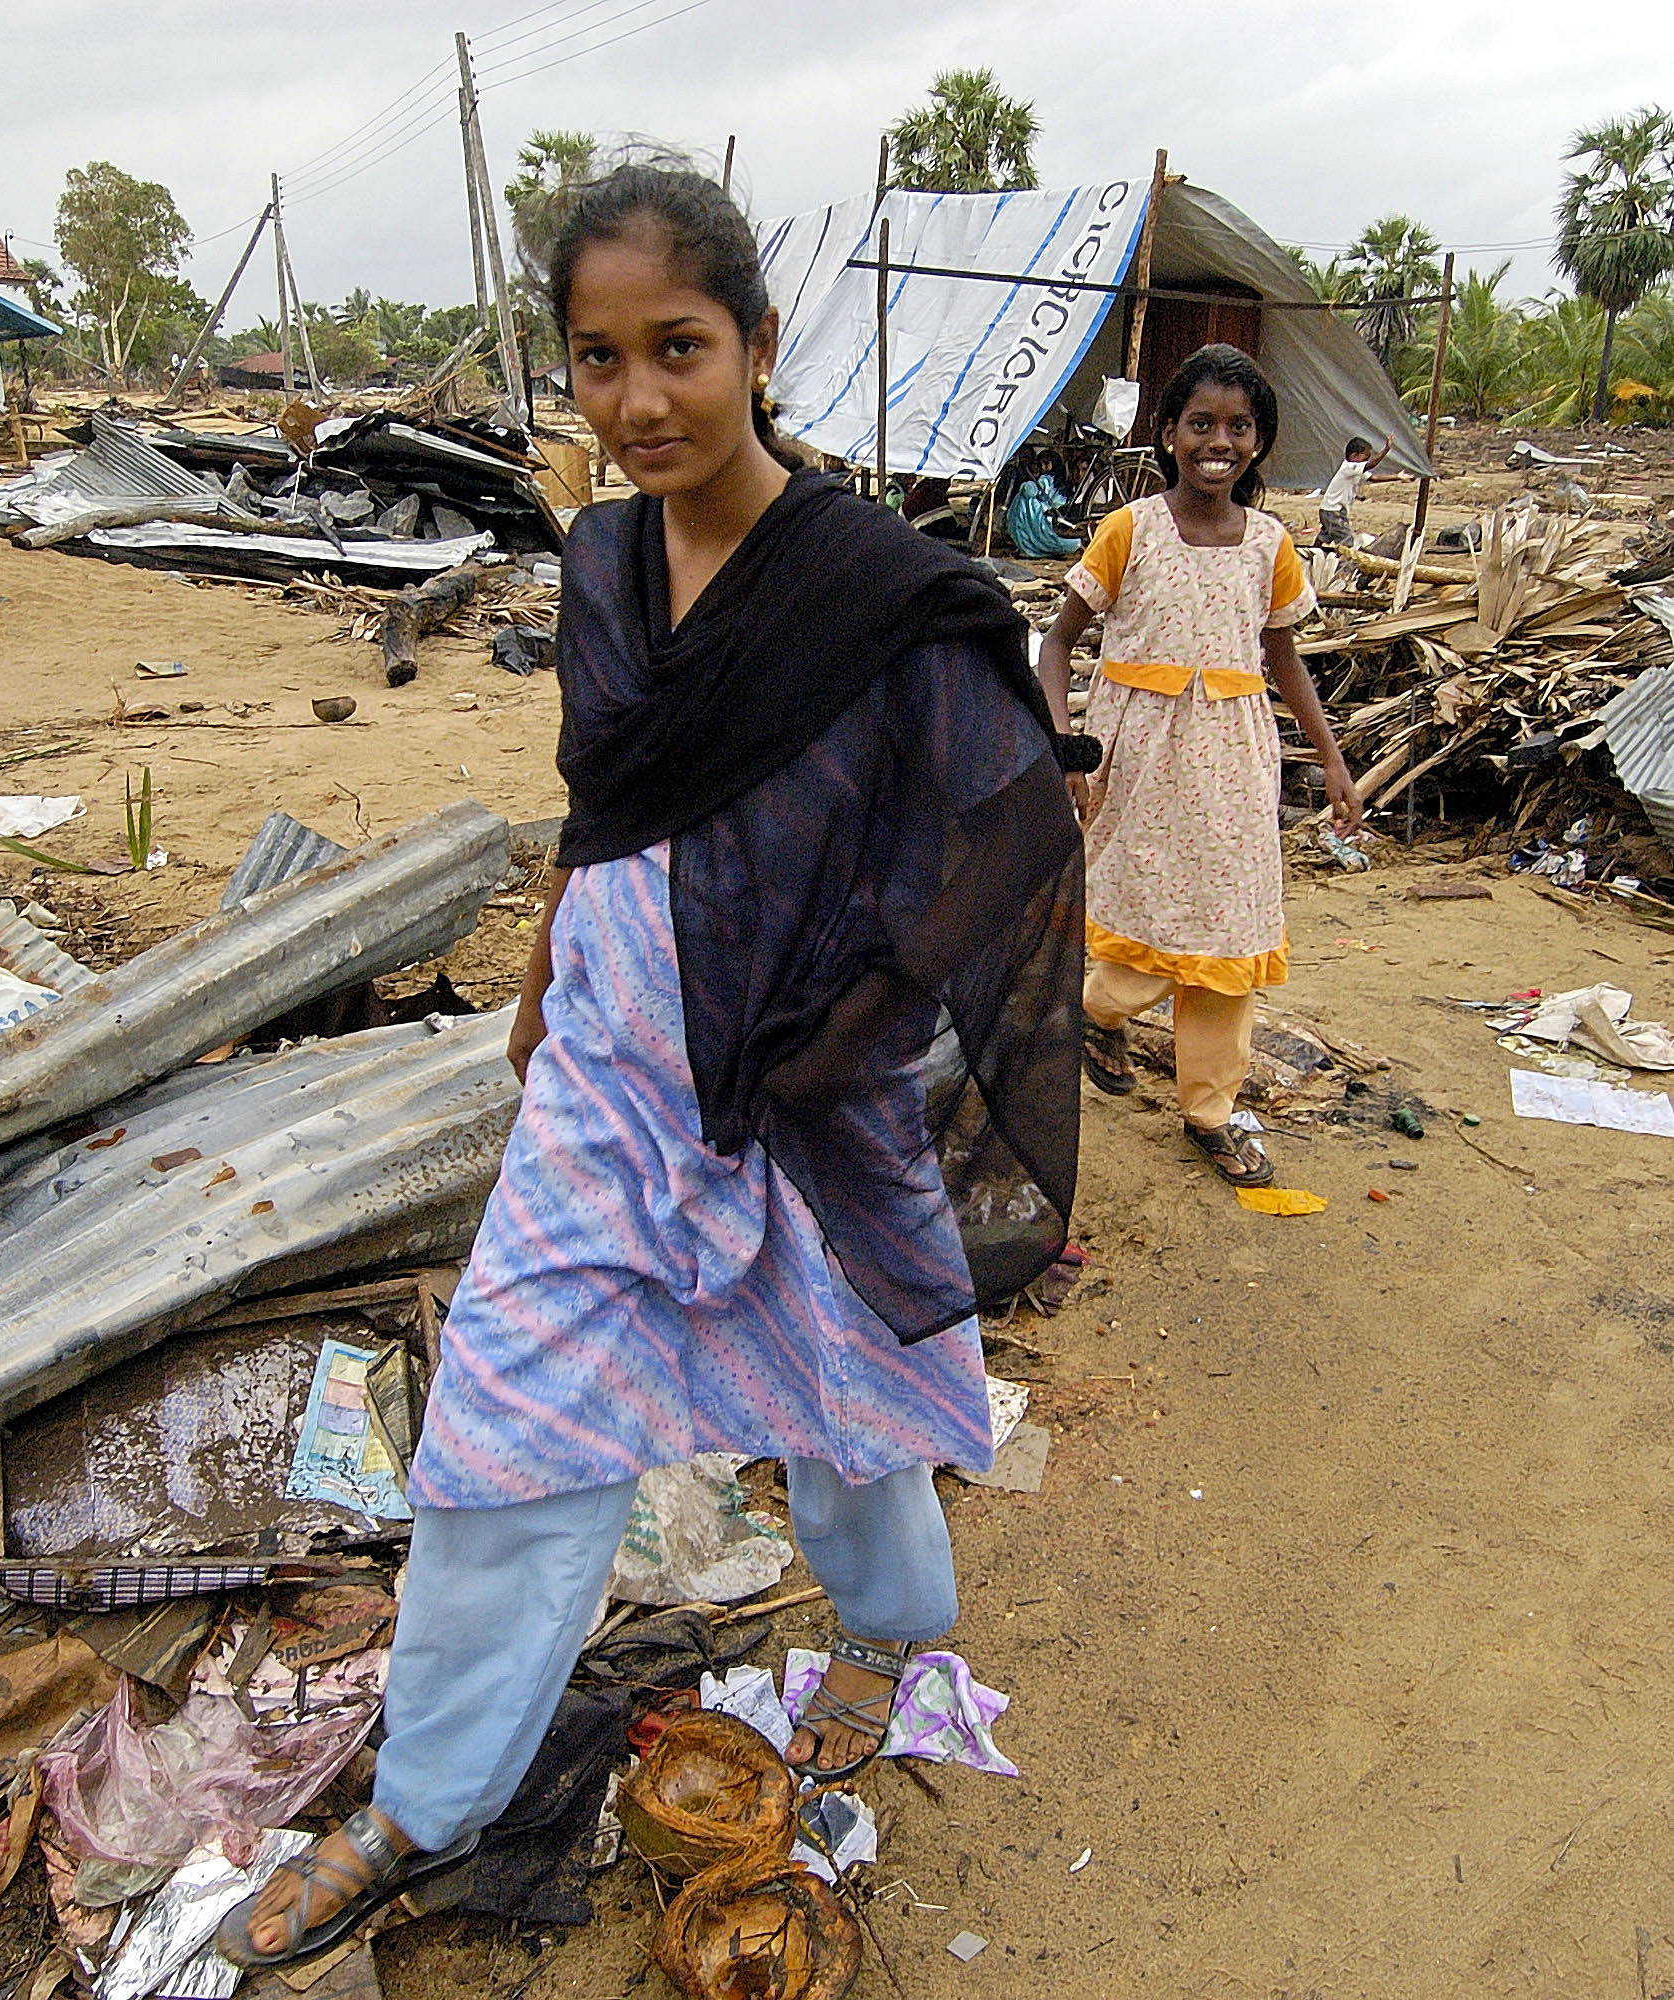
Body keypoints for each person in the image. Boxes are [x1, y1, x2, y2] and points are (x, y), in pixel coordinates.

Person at [218, 162, 1087, 1973]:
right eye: (597, 360)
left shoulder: (881, 589)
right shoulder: (604, 554)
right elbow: (608, 795)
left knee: (843, 1380)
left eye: (678, 349)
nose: (638, 402)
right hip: (612, 1061)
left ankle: (880, 1634)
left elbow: (1011, 826)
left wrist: (859, 1021)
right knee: (508, 1421)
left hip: (800, 1074)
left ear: (759, 347)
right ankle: (425, 1801)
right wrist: (544, 964)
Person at [1036, 343, 1364, 1187]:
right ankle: (1094, 1014)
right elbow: (1059, 645)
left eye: (1239, 426)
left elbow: (1285, 659)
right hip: (1137, 758)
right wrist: (1064, 748)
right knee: (1138, 911)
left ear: (1259, 441)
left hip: (1234, 761)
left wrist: (1332, 761)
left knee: (1229, 926)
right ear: (1169, 432)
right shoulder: (1130, 529)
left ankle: (1210, 1109)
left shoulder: (1269, 542)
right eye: (1201, 423)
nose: (1219, 440)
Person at [1316, 431, 1393, 546]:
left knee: (1326, 534)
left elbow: (1374, 477)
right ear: (1354, 456)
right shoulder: (1350, 466)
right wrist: (1386, 450)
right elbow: (1371, 465)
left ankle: (1312, 553)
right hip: (1334, 511)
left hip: (1329, 509)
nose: (1366, 461)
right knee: (1346, 540)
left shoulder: (1354, 470)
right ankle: (1342, 562)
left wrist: (1397, 477)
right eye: (1365, 458)